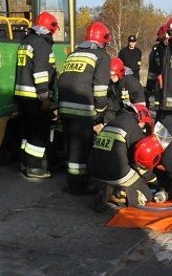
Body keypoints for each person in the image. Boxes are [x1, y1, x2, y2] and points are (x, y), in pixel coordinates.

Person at [58, 21, 112, 194]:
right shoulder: (102, 56)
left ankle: (71, 180)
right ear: (103, 39)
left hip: (64, 106)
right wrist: (101, 112)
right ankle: (78, 185)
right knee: (81, 148)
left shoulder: (75, 53)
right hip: (82, 108)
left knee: (71, 146)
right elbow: (100, 89)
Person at [13, 11, 59, 179]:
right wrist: (45, 98)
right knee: (38, 133)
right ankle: (35, 168)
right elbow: (40, 73)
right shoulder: (41, 44)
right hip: (35, 97)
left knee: (27, 131)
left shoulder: (26, 41)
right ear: (48, 29)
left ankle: (24, 163)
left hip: (22, 95)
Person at [89, 104, 158, 209]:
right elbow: (139, 163)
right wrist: (153, 180)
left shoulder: (111, 123)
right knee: (146, 194)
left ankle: (105, 189)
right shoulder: (134, 128)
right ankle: (113, 195)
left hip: (95, 172)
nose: (144, 128)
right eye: (145, 124)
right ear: (140, 118)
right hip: (116, 174)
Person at [104, 57, 147, 123]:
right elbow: (112, 99)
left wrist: (141, 121)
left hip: (132, 111)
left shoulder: (130, 83)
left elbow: (140, 104)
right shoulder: (112, 83)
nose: (110, 77)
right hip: (118, 108)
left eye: (112, 75)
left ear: (119, 72)